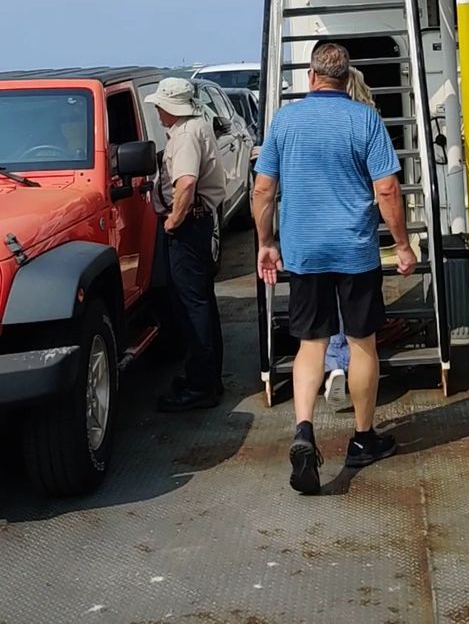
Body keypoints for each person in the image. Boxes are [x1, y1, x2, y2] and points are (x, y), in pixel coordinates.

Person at [253, 42, 417, 496]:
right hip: (354, 251)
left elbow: (263, 189)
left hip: (304, 253)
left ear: (311, 76)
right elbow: (386, 190)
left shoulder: (285, 120)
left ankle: (304, 430)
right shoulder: (365, 119)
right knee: (363, 343)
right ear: (346, 78)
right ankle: (362, 439)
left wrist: (267, 243)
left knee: (311, 344)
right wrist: (402, 245)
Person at [145, 77, 227, 411]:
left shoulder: (186, 134)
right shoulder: (197, 125)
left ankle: (201, 387)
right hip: (198, 223)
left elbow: (187, 182)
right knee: (201, 302)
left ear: (169, 107)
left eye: (160, 106)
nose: (158, 112)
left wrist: (172, 221)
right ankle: (206, 379)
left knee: (193, 305)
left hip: (189, 226)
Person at [324, 63, 378, 409]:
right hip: (358, 226)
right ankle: (352, 369)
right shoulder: (368, 120)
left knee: (327, 300)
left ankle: (333, 362)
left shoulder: (319, 122)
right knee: (361, 319)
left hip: (318, 226)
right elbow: (385, 184)